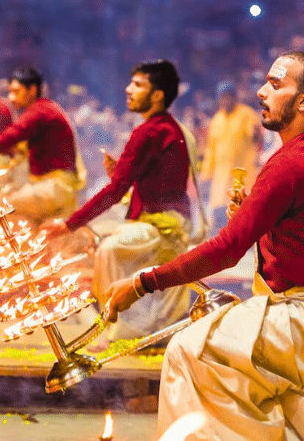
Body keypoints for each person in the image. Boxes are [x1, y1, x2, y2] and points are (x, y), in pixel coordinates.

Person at [106, 51, 304, 440]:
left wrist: (142, 283)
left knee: (186, 351)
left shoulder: (291, 163)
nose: (261, 92)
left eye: (276, 85)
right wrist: (255, 215)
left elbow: (226, 250)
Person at [42, 60, 193, 343]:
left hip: (162, 227)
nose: (128, 90)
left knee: (109, 249)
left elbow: (114, 191)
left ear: (158, 95)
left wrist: (68, 224)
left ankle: (123, 329)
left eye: (137, 85)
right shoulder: (167, 128)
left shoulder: (149, 132)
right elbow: (151, 183)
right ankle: (125, 322)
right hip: (164, 221)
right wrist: (124, 177)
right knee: (105, 243)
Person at [0, 66, 84, 223]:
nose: (11, 98)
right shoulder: (43, 109)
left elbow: (12, 134)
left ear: (32, 90)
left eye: (16, 91)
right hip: (52, 186)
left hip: (54, 187)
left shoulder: (40, 111)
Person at [200, 80, 261, 234]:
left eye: (228, 97)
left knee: (242, 213)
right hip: (220, 178)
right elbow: (210, 150)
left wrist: (255, 133)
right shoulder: (216, 120)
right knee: (220, 214)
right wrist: (206, 174)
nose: (225, 101)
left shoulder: (246, 114)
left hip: (242, 175)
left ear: (235, 97)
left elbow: (254, 137)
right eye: (222, 97)